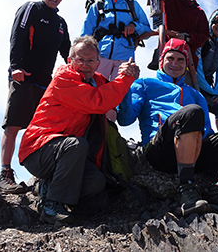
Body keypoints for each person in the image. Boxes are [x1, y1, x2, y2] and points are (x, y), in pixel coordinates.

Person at [118, 38, 218, 216]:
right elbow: (125, 119)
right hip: (159, 150)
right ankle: (186, 189)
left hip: (194, 149)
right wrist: (125, 84)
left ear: (187, 65)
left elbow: (208, 132)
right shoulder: (144, 84)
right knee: (191, 113)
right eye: (170, 58)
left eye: (181, 60)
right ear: (161, 61)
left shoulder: (195, 94)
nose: (175, 63)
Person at [18, 35, 139, 224]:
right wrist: (125, 78)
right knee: (76, 145)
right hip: (38, 150)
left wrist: (127, 71)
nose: (85, 64)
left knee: (96, 182)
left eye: (90, 60)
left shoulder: (98, 81)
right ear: (69, 60)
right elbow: (99, 101)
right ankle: (51, 205)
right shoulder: (63, 78)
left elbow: (115, 92)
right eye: (79, 59)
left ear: (98, 63)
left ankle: (49, 188)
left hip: (65, 154)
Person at [0, 0, 71, 194]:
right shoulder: (30, 8)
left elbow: (67, 51)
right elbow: (17, 36)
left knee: (41, 130)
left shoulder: (60, 23)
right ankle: (5, 174)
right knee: (12, 126)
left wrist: (80, 73)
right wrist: (15, 67)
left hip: (44, 83)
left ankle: (38, 175)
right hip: (23, 76)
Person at [81, 0, 151, 100]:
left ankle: (111, 121)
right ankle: (95, 121)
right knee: (94, 93)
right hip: (100, 57)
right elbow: (85, 34)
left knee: (119, 97)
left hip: (124, 58)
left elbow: (146, 28)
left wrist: (134, 26)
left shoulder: (131, 4)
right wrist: (83, 57)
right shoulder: (97, 5)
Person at [196, 9, 218, 131]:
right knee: (197, 110)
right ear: (211, 22)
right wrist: (209, 90)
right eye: (217, 21)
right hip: (194, 81)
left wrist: (217, 91)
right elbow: (197, 68)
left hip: (209, 85)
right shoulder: (203, 40)